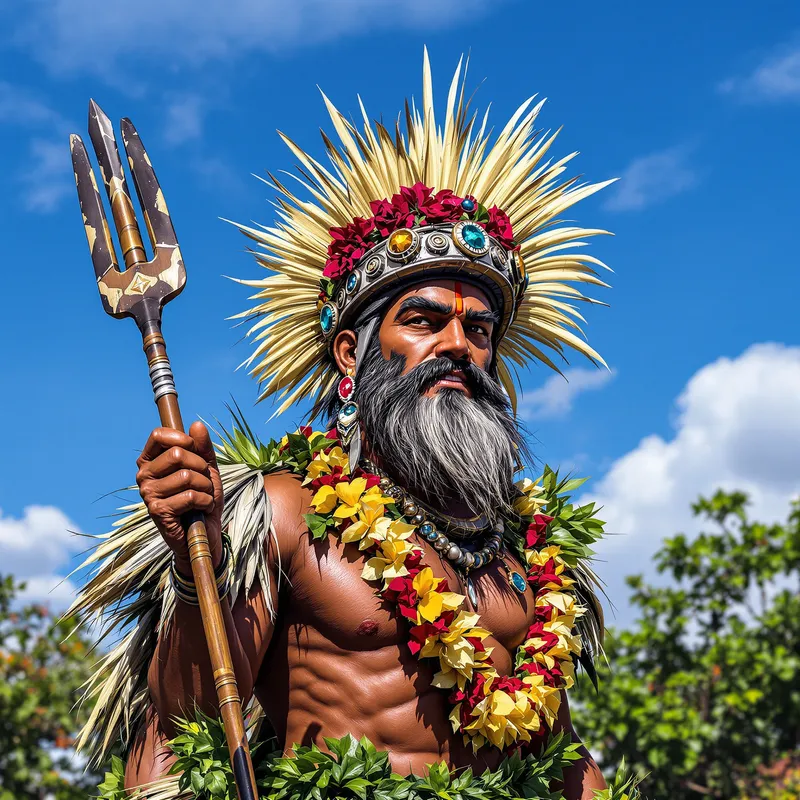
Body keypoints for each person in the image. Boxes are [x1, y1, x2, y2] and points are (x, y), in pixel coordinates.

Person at [69, 54, 617, 800]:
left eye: (480, 329)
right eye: (424, 320)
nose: (459, 344)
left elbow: (558, 753)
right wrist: (194, 562)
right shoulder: (284, 513)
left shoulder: (524, 553)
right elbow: (187, 719)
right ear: (353, 352)